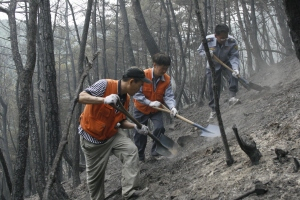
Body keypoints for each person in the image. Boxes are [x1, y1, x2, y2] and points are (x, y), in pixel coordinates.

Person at [78, 67, 152, 200]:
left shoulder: (126, 99)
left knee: (131, 150)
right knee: (96, 180)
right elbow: (81, 97)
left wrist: (135, 126)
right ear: (131, 82)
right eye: (140, 85)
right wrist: (103, 100)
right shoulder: (105, 85)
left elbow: (120, 122)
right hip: (93, 140)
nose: (140, 89)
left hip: (112, 135)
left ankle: (129, 192)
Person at [132, 52, 177, 162]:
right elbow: (136, 93)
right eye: (162, 68)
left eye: (166, 68)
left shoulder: (166, 79)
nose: (164, 71)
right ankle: (140, 157)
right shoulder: (143, 75)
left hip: (156, 110)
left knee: (159, 128)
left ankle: (155, 151)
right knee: (140, 133)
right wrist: (149, 102)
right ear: (155, 65)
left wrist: (172, 107)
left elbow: (169, 96)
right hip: (141, 109)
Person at [197, 24, 241, 122]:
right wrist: (207, 53)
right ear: (215, 35)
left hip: (227, 61)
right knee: (213, 87)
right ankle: (214, 110)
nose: (224, 40)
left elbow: (234, 56)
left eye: (226, 37)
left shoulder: (232, 41)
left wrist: (235, 68)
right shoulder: (208, 40)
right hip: (213, 65)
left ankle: (232, 97)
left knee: (234, 74)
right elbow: (200, 51)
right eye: (222, 38)